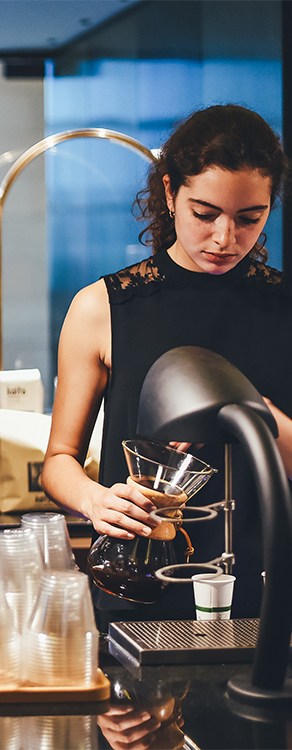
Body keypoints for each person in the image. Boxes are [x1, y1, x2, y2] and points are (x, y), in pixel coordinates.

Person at [41, 104, 292, 626]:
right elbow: (58, 460)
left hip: (268, 594)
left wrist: (257, 413)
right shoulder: (103, 308)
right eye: (205, 214)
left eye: (250, 218)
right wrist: (93, 499)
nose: (226, 238)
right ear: (170, 191)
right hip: (139, 593)